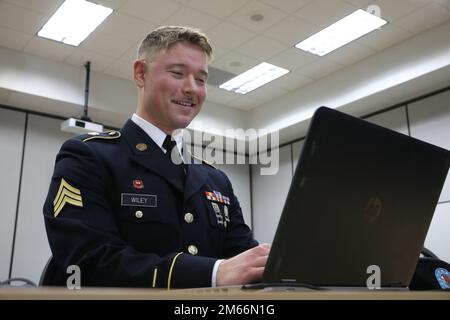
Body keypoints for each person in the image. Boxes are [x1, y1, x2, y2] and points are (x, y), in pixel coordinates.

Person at [43, 26, 270, 288]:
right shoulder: (89, 156)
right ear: (141, 73)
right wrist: (213, 273)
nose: (191, 88)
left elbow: (243, 259)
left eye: (201, 79)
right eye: (177, 73)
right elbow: (88, 261)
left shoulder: (216, 180)